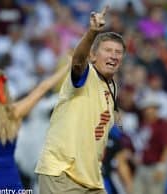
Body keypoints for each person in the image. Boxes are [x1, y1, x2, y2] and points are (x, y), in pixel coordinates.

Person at [35, 6, 126, 194]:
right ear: (92, 56)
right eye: (108, 50)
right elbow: (77, 61)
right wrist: (92, 32)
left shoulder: (113, 87)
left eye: (118, 52)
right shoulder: (86, 74)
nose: (114, 56)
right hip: (62, 174)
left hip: (91, 177)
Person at [0, 65, 69, 191]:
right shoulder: (15, 112)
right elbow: (42, 88)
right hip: (10, 182)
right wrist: (68, 66)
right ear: (5, 89)